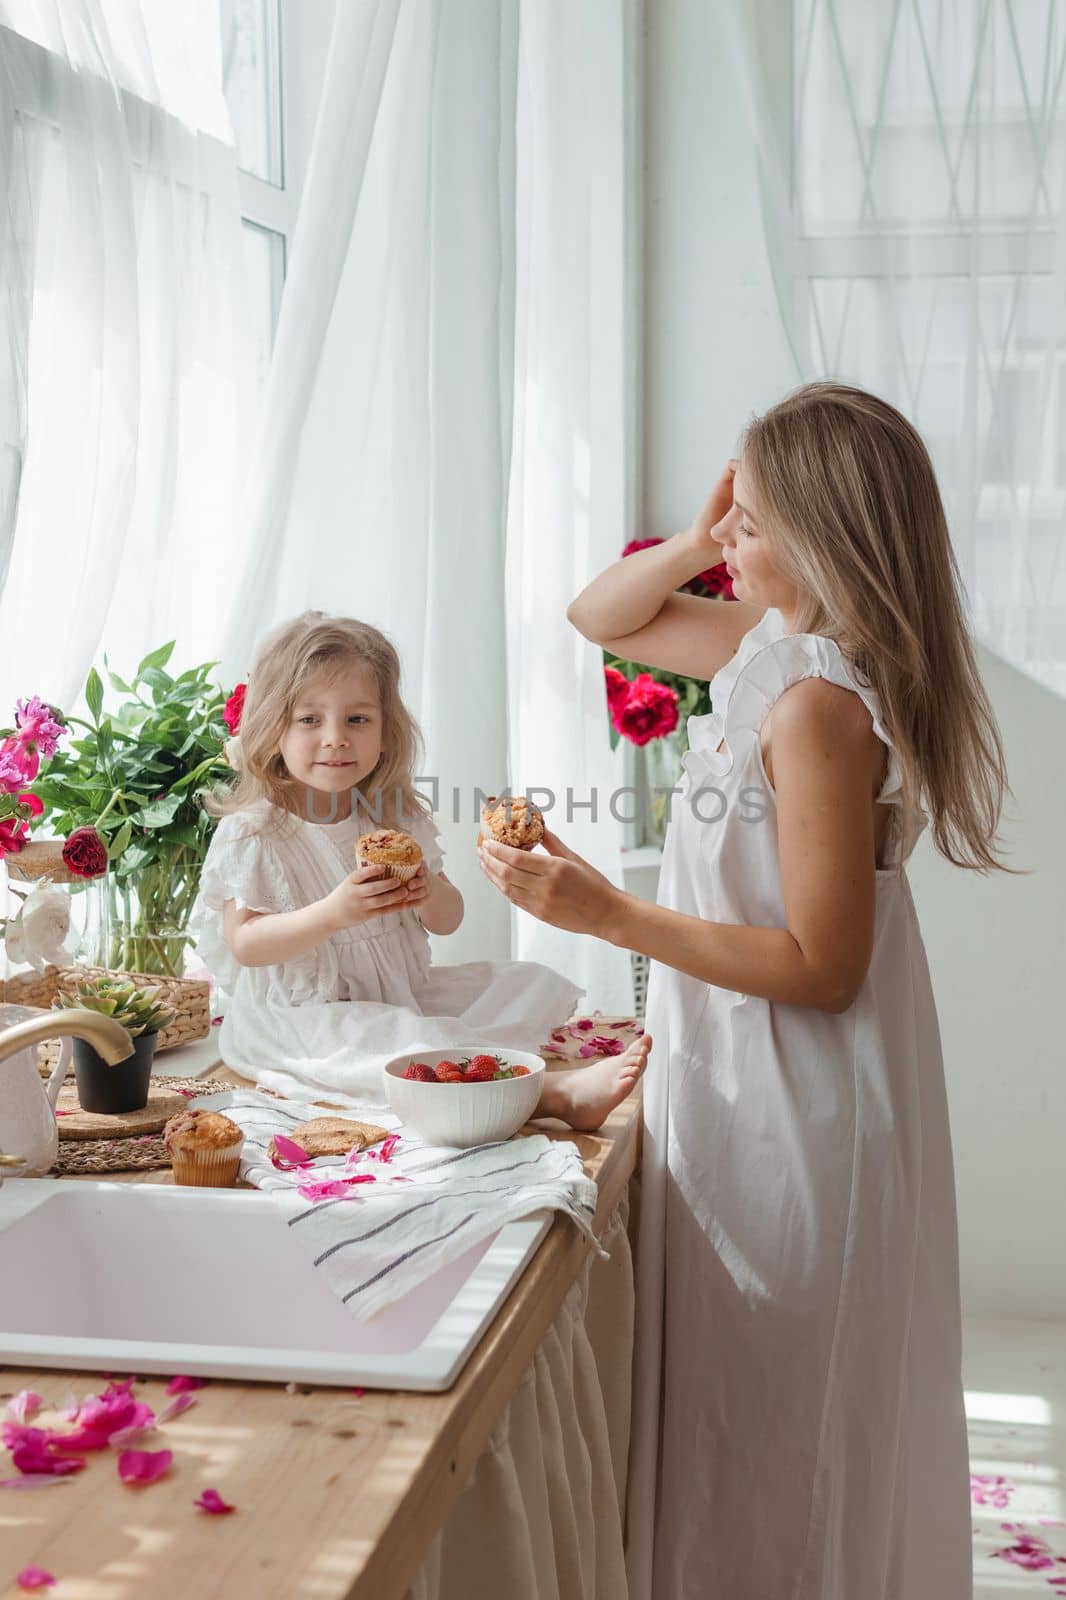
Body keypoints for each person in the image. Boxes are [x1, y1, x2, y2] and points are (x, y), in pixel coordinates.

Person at [478, 382, 1021, 1598]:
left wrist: (601, 912)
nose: (728, 537)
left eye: (753, 520)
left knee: (782, 1425)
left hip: (801, 1106)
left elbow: (824, 969)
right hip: (744, 1084)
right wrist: (699, 528)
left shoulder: (818, 700)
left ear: (825, 533)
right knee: (746, 1415)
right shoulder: (768, 655)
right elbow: (598, 617)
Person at [190, 610, 649, 1121]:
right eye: (309, 719)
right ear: (274, 728)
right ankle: (554, 1098)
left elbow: (448, 919)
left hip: (400, 995)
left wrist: (427, 890)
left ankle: (486, 1068)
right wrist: (335, 912)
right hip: (301, 1019)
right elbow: (246, 944)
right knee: (410, 1043)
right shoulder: (256, 830)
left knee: (519, 982)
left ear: (386, 731)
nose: (336, 737)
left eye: (358, 719)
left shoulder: (393, 815)